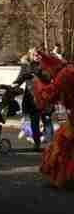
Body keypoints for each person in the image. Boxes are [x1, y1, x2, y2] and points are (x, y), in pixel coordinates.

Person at [34, 52, 74, 188]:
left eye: (46, 70)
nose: (47, 74)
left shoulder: (64, 75)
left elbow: (49, 94)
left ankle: (66, 179)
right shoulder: (66, 71)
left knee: (63, 143)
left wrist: (37, 84)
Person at [13, 48, 48, 151]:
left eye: (38, 55)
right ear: (30, 55)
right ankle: (37, 142)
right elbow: (20, 78)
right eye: (34, 55)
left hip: (43, 96)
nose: (37, 56)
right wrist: (14, 85)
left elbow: (48, 78)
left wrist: (38, 73)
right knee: (34, 121)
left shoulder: (43, 65)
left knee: (47, 120)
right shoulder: (26, 66)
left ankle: (49, 141)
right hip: (31, 98)